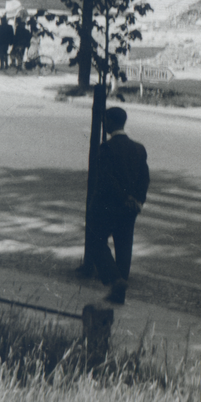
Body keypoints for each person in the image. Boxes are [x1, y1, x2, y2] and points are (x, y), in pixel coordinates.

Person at [88, 107, 150, 304]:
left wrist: (124, 197)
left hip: (109, 206)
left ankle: (115, 280)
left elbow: (107, 179)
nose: (104, 124)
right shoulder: (139, 148)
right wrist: (137, 200)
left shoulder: (106, 148)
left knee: (96, 242)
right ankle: (119, 294)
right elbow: (144, 178)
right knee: (124, 247)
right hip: (130, 209)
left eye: (106, 120)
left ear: (112, 122)